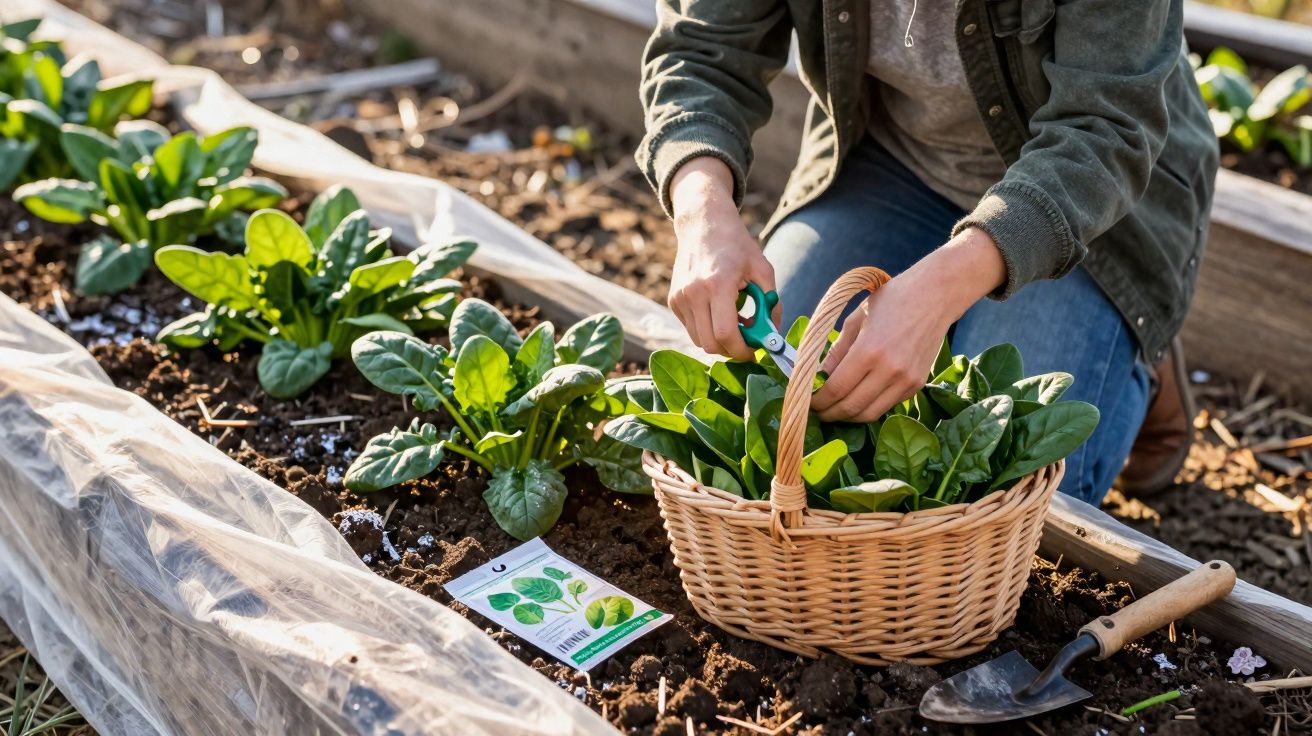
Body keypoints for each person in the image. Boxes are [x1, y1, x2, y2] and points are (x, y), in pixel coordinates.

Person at [636, 0, 1218, 505]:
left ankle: (1137, 332)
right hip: (896, 165)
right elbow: (700, 48)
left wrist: (937, 293)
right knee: (753, 413)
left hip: (1089, 204)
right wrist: (702, 210)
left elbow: (1106, 129)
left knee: (1009, 493)